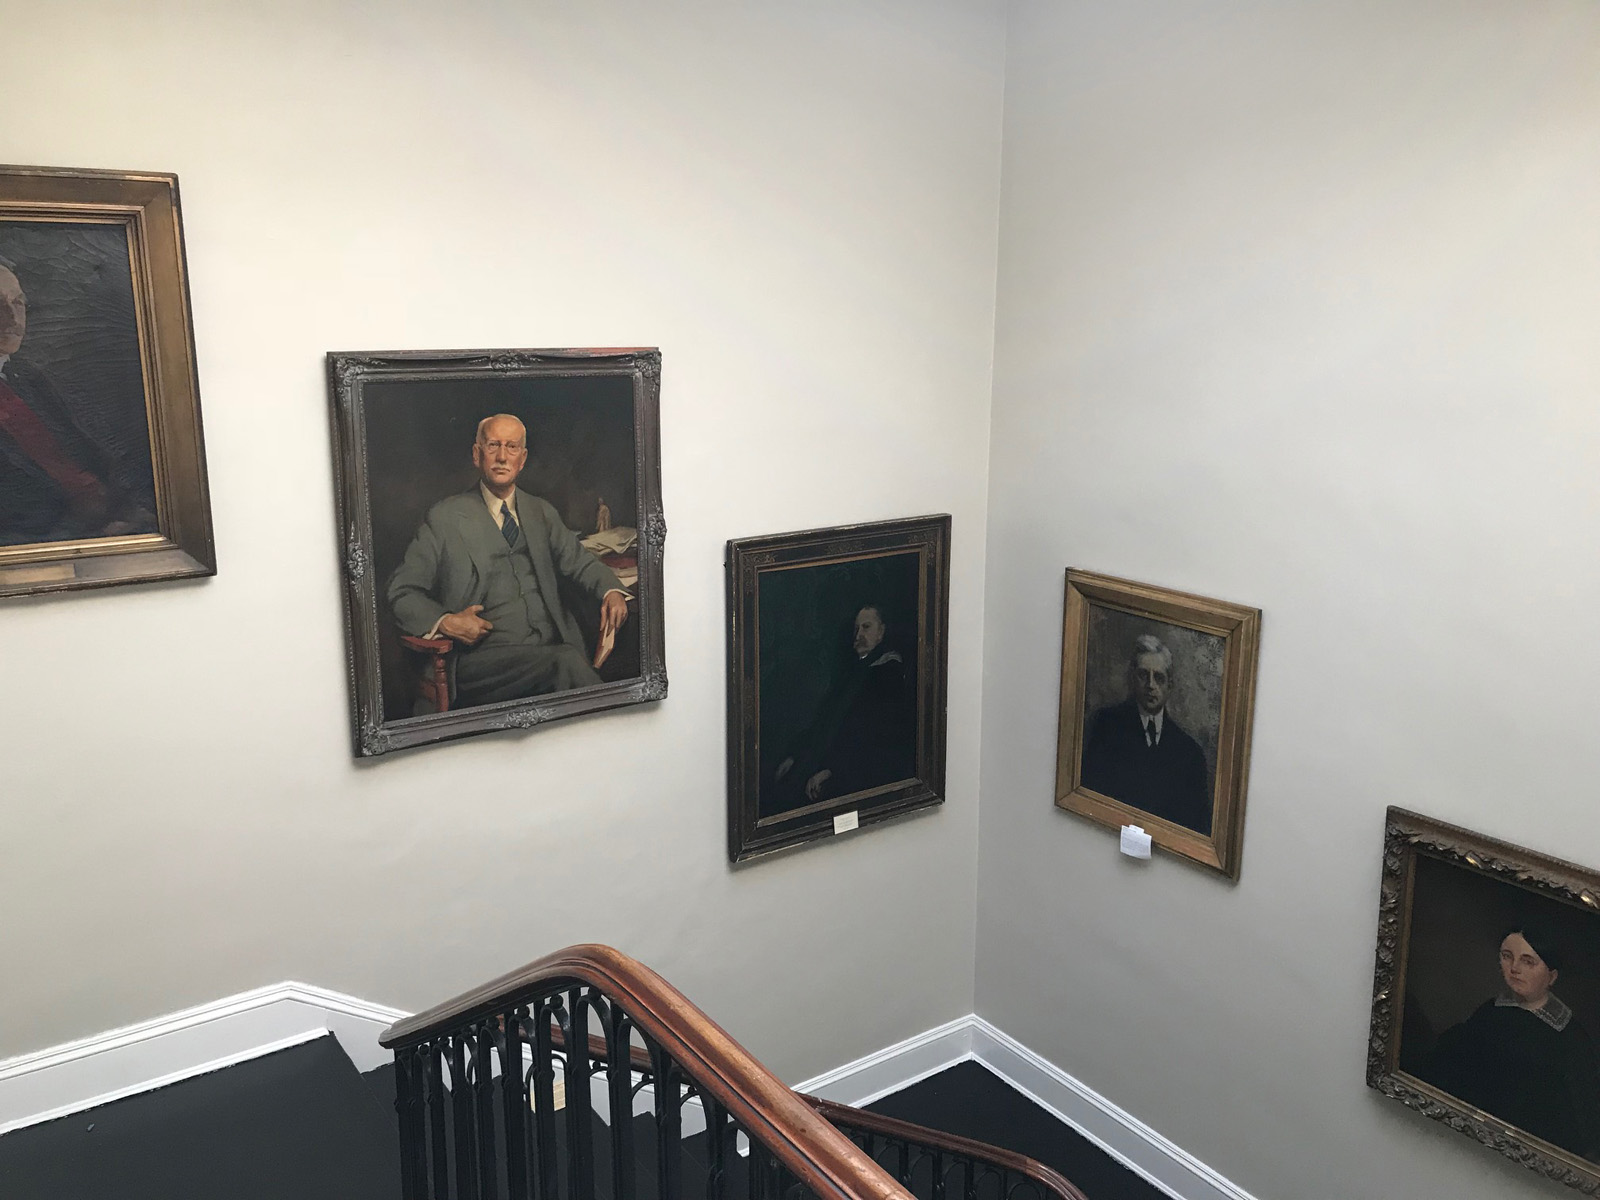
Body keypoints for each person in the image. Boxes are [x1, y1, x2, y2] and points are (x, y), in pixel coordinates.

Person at [386, 413, 629, 708]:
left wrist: (611, 590)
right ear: (477, 455)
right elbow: (402, 591)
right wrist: (447, 622)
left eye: (512, 447)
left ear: (522, 459)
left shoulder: (541, 512)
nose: (502, 457)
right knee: (567, 665)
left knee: (578, 659)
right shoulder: (445, 518)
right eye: (493, 446)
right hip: (482, 663)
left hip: (550, 649)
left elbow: (579, 561)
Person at [0, 256, 155, 545]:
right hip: (46, 538)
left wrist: (125, 509)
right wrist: (86, 529)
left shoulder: (27, 376)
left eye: (18, 303)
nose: (13, 318)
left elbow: (90, 451)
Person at [1418, 925, 1600, 1159]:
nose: (1514, 968)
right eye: (1507, 957)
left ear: (1552, 976)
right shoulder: (1490, 1012)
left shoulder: (1570, 1036)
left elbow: (1580, 1117)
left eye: (1528, 962)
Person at [768, 604, 917, 812]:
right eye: (856, 629)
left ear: (881, 632)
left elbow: (871, 738)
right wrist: (795, 754)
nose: (859, 635)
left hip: (856, 771)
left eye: (866, 627)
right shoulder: (852, 671)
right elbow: (824, 721)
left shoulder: (887, 674)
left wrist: (831, 770)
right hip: (825, 761)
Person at [1080, 633, 1211, 834]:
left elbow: (1197, 827)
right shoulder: (1106, 726)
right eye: (1143, 675)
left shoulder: (1189, 753)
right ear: (1133, 679)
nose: (1151, 685)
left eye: (1158, 677)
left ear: (1170, 685)